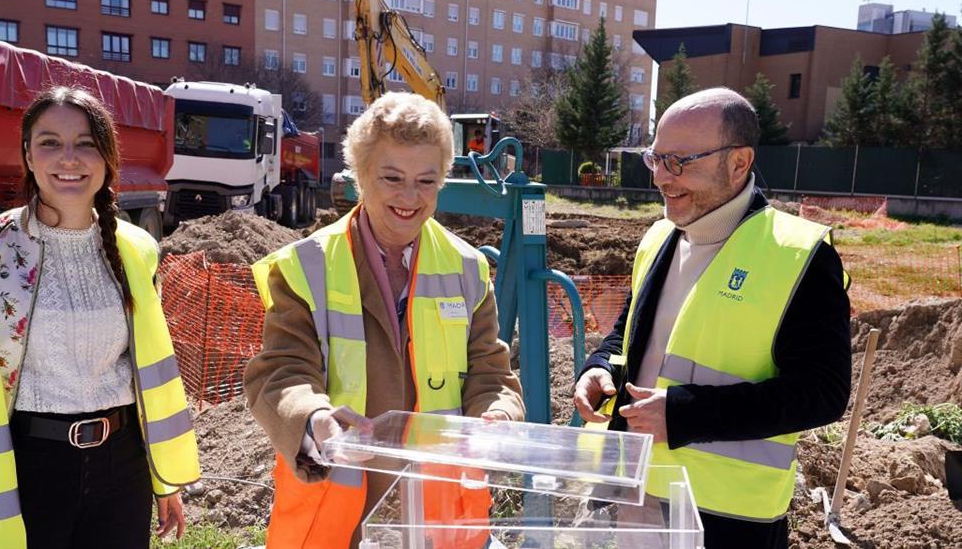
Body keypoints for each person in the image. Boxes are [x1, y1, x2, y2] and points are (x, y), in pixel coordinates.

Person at [0, 87, 201, 549]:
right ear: (27, 155)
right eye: (50, 142)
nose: (69, 158)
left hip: (122, 469)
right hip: (27, 470)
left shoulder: (136, 251)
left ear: (107, 157)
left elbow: (147, 376)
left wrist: (163, 481)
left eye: (86, 143)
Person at [572, 88, 851, 548]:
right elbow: (628, 335)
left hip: (727, 520)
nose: (662, 178)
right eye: (656, 158)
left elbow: (822, 393)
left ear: (739, 162)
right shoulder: (660, 237)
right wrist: (600, 367)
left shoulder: (799, 256)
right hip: (633, 494)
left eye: (680, 161)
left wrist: (685, 415)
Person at [245, 92, 525, 548]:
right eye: (392, 178)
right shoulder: (304, 267)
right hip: (337, 518)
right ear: (359, 176)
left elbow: (491, 376)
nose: (409, 197)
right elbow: (281, 373)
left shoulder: (467, 269)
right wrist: (313, 418)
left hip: (438, 522)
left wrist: (497, 416)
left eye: (426, 181)